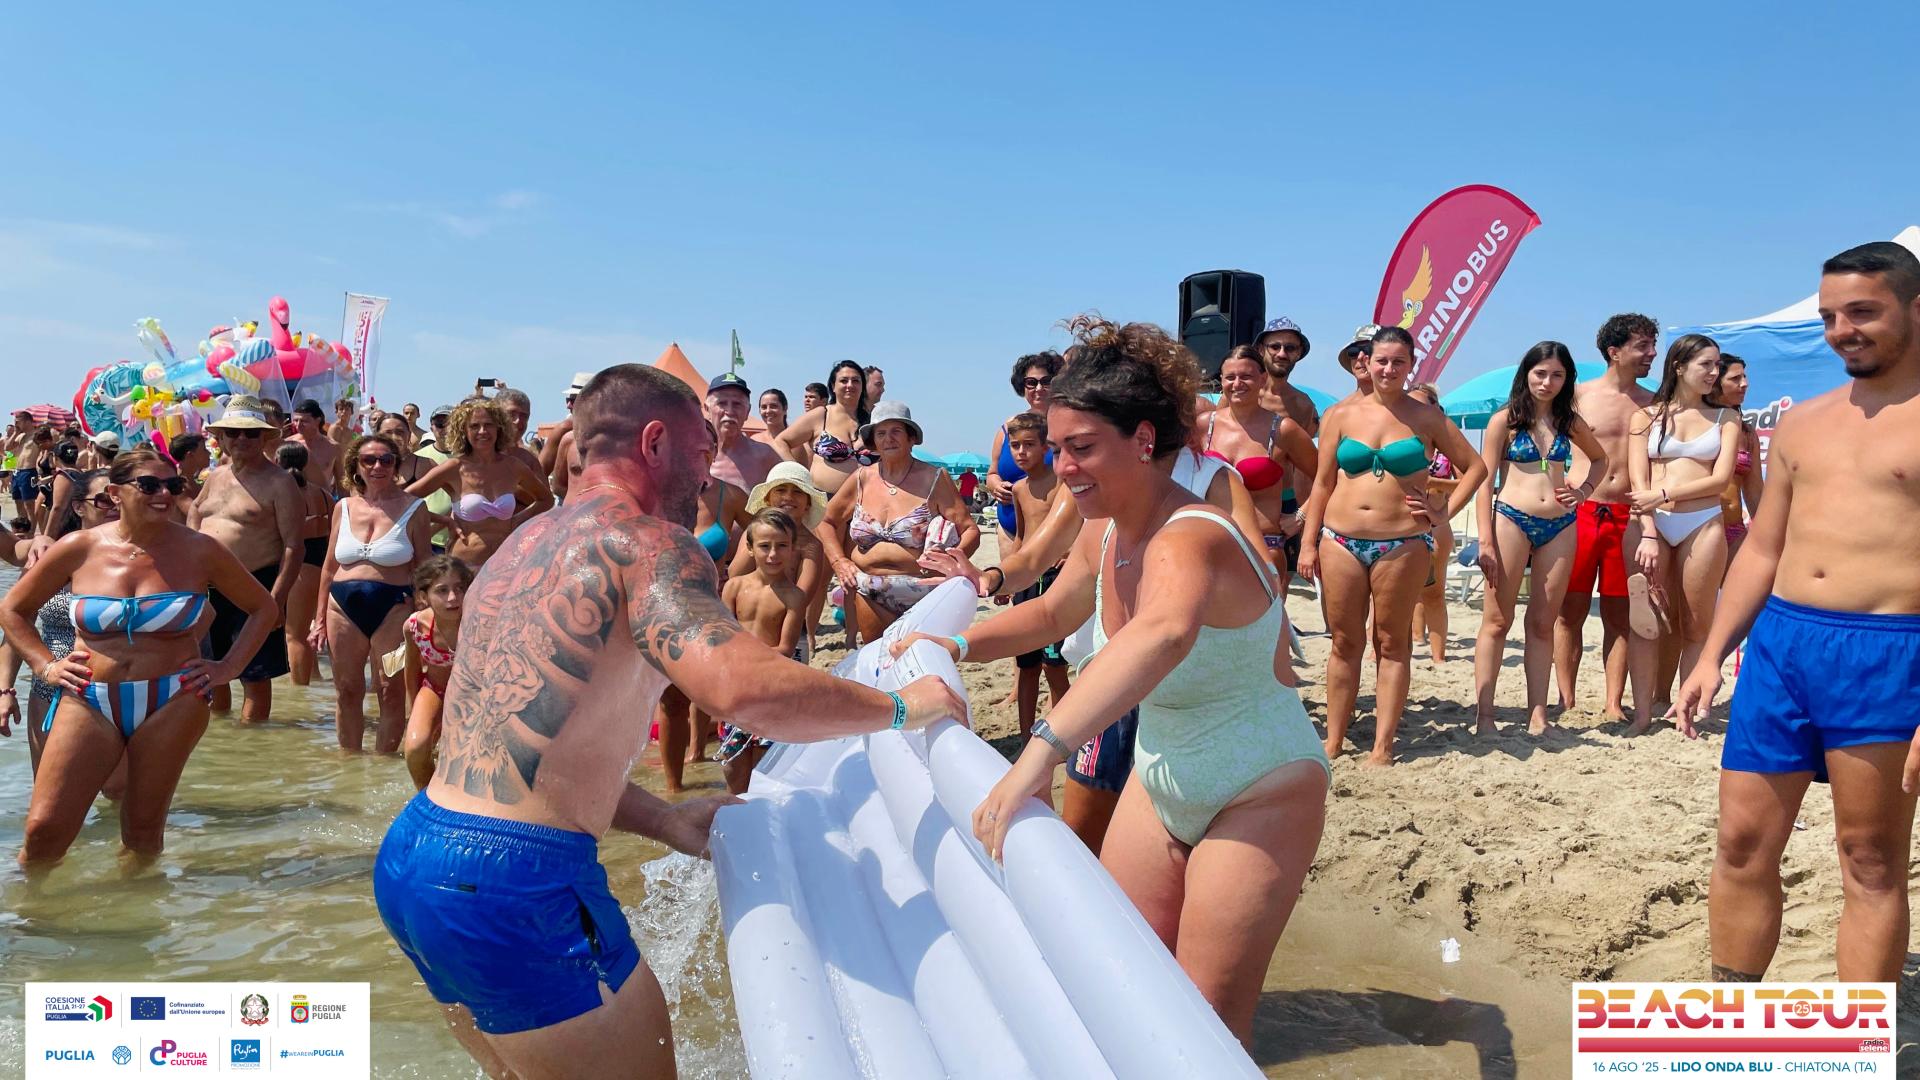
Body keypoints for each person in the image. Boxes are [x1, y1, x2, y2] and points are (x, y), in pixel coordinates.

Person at [372, 363, 962, 1078]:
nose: (705, 474)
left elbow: (519, 749)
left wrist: (666, 821)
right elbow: (740, 689)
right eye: (699, 452)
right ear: (654, 443)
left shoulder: (517, 550)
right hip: (516, 885)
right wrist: (902, 706)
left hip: (414, 856)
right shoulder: (647, 541)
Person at [897, 316, 1325, 1043]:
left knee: (1209, 1023)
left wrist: (1037, 754)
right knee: (1126, 984)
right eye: (1057, 448)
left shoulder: (1194, 533)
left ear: (1144, 440)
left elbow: (1163, 632)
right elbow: (1049, 613)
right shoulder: (1101, 529)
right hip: (1161, 775)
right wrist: (950, 643)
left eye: (1082, 447)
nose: (1063, 467)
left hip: (1260, 785)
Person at [1671, 241, 1920, 985]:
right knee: (1741, 843)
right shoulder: (1804, 423)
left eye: (1862, 312)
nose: (1842, 331)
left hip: (1889, 651)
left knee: (1869, 860)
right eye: (1830, 317)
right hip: (1783, 646)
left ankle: (1858, 1041)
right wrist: (1712, 654)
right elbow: (1763, 547)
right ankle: (1731, 1022)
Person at [0, 450, 274, 868]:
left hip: (173, 698)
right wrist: (45, 665)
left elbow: (263, 609)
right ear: (115, 492)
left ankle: (136, 907)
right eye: (148, 485)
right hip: (89, 695)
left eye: (173, 485)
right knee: (43, 830)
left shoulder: (201, 549)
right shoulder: (79, 547)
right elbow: (13, 609)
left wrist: (227, 668)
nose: (163, 494)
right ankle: (33, 906)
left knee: (143, 832)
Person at [1300, 326, 1486, 766]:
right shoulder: (1339, 415)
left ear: (1411, 365)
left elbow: (1476, 467)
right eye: (1381, 360)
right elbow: (1322, 483)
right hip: (1339, 539)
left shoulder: (1426, 417)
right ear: (1366, 361)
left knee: (1392, 643)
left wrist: (1442, 511)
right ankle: (1334, 740)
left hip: (1402, 542)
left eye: (1398, 362)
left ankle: (1383, 746)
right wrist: (1308, 542)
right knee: (1344, 643)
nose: (1388, 369)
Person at [1470, 343, 1610, 736]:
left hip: (1561, 523)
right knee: (1497, 621)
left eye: (1557, 375)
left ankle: (1538, 715)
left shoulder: (1569, 422)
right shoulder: (1505, 421)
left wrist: (1583, 492)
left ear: (1567, 379)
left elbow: (1601, 459)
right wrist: (1484, 539)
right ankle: (1484, 716)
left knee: (1543, 623)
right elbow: (1484, 482)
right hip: (1511, 518)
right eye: (1541, 373)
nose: (1547, 382)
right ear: (1527, 374)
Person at [1623, 334, 1741, 735]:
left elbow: (1721, 479)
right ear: (1679, 366)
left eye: (1717, 365)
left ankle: (1685, 710)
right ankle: (1642, 714)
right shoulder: (1645, 417)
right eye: (1705, 364)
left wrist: (1665, 494)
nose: (1713, 373)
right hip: (1649, 524)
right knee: (1645, 620)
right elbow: (1638, 480)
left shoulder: (1726, 419)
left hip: (1702, 521)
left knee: (1695, 624)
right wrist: (1648, 531)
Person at [1555, 314, 1658, 723]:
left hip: (1629, 514)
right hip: (1581, 510)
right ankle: (1565, 698)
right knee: (1570, 610)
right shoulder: (1577, 397)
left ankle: (1614, 702)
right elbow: (1542, 444)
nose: (1652, 353)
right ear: (1614, 352)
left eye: (1653, 345)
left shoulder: (1654, 403)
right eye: (1642, 346)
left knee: (1621, 614)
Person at [312, 433, 433, 752]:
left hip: (394, 606)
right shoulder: (343, 507)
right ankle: (349, 766)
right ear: (356, 466)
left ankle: (383, 764)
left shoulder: (414, 508)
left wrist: (425, 613)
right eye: (369, 460)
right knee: (346, 690)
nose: (377, 466)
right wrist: (318, 619)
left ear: (396, 466)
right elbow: (328, 567)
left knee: (390, 690)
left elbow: (425, 566)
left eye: (385, 460)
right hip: (341, 606)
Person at [819, 402, 980, 639]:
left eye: (896, 431)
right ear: (873, 441)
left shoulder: (934, 479)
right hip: (868, 589)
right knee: (876, 655)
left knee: (916, 658)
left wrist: (952, 561)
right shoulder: (861, 478)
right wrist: (839, 561)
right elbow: (826, 522)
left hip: (924, 590)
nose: (888, 439)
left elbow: (970, 530)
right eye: (881, 433)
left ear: (910, 438)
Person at [188, 396, 303, 725]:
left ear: (265, 437)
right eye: (233, 432)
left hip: (255, 587)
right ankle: (223, 741)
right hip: (208, 589)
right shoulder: (215, 477)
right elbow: (195, 511)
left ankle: (253, 744)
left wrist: (275, 601)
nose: (241, 439)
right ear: (221, 437)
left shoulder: (280, 482)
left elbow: (294, 547)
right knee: (208, 672)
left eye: (250, 433)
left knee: (255, 676)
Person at [0, 469, 118, 779]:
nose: (114, 506)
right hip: (52, 689)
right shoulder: (53, 557)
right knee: (49, 796)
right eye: (104, 500)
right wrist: (5, 689)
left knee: (119, 794)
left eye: (119, 498)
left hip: (122, 693)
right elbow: (16, 621)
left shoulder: (145, 559)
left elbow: (200, 616)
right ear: (79, 507)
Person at [1204, 344, 1318, 578]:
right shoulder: (1204, 426)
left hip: (1264, 547)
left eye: (1246, 376)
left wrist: (1300, 516)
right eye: (1230, 377)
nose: (1237, 384)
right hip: (1210, 544)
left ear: (1262, 379)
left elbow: (1327, 478)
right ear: (1221, 381)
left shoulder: (1283, 430)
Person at [716, 509, 810, 792]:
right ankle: (735, 812)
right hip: (736, 689)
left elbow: (786, 647)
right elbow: (722, 636)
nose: (773, 554)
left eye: (781, 546)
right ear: (749, 548)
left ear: (793, 549)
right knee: (732, 766)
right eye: (764, 546)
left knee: (764, 769)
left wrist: (745, 659)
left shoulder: (794, 596)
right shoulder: (734, 587)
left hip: (772, 689)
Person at [407, 397, 553, 568]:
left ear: (499, 428)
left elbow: (546, 500)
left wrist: (516, 521)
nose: (482, 431)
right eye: (474, 426)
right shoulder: (455, 467)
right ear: (463, 431)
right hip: (465, 566)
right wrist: (444, 521)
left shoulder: (513, 466)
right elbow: (404, 498)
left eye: (488, 425)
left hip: (504, 565)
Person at [995, 412, 1071, 738]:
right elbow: (1021, 539)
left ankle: (1064, 735)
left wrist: (1070, 554)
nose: (1021, 452)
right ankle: (1026, 737)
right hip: (1027, 582)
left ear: (1045, 447)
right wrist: (1006, 577)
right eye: (1015, 445)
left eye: (1029, 444)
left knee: (1054, 667)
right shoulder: (1019, 490)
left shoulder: (1063, 483)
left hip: (1056, 581)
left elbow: (1080, 526)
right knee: (1026, 666)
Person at [732, 461, 829, 656]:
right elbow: (735, 574)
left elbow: (803, 596)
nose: (788, 497)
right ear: (768, 498)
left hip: (787, 627)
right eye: (780, 490)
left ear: (808, 503)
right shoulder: (753, 533)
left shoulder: (811, 545)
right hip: (748, 621)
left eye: (798, 492)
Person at [401, 554, 473, 789]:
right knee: (415, 748)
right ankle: (428, 798)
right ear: (423, 597)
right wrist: (413, 710)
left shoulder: (479, 622)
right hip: (435, 690)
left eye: (459, 588)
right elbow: (412, 669)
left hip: (472, 694)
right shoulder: (415, 626)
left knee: (465, 756)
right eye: (442, 590)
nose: (453, 598)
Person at [985, 352, 1063, 552]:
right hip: (1010, 532)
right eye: (1031, 382)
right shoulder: (1007, 428)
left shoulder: (1067, 425)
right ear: (1023, 386)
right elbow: (992, 473)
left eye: (1046, 381)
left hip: (1056, 535)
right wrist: (996, 486)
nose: (1039, 388)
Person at [1407, 385, 1460, 661]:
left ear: (1435, 407)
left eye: (1421, 404)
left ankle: (1438, 656)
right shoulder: (1399, 437)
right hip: (1402, 524)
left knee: (1434, 592)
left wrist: (1433, 483)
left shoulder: (1448, 443)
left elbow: (1467, 481)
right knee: (1399, 592)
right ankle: (1414, 638)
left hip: (1436, 523)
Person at [276, 442, 333, 686]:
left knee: (294, 635)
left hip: (299, 566)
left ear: (278, 462)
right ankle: (312, 681)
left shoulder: (286, 493)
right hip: (322, 565)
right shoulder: (322, 494)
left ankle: (299, 693)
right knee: (305, 631)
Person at [774, 359, 871, 496]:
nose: (850, 385)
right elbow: (780, 442)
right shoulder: (821, 415)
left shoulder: (872, 421)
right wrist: (797, 475)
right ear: (833, 386)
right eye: (844, 381)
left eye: (855, 381)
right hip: (823, 501)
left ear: (862, 386)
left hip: (865, 501)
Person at [1711, 356, 1766, 561]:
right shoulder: (1695, 425)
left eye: (1744, 377)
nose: (1745, 384)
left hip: (1735, 530)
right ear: (1714, 382)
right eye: (1735, 378)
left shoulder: (1746, 432)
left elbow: (1755, 492)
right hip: (1698, 529)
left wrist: (1770, 535)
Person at [706, 373, 781, 491]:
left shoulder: (765, 456)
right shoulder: (692, 454)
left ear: (747, 411)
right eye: (722, 403)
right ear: (707, 409)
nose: (729, 411)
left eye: (737, 404)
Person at [292, 399, 342, 495]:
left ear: (317, 421)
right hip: (295, 500)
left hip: (322, 500)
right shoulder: (288, 444)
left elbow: (342, 484)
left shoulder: (333, 448)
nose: (298, 425)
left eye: (304, 421)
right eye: (295, 420)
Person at [377, 414, 434, 486]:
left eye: (400, 432)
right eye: (388, 432)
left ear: (409, 435)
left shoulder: (424, 464)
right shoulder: (369, 463)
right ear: (377, 436)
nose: (394, 437)